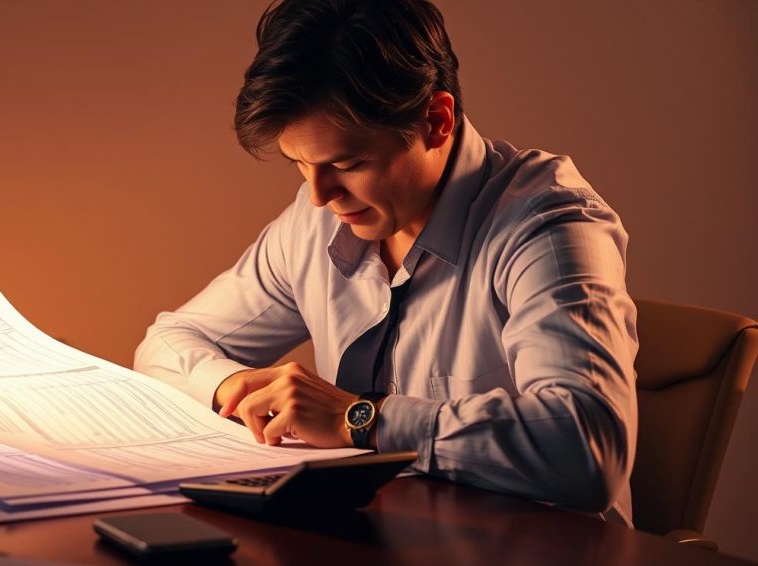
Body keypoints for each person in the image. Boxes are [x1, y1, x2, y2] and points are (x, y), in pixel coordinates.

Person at [134, 0, 637, 525]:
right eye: (300, 165)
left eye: (347, 164)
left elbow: (586, 448)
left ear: (437, 121)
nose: (319, 196)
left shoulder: (548, 226)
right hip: (379, 548)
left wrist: (360, 420)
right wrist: (233, 387)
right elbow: (166, 343)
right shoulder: (318, 224)